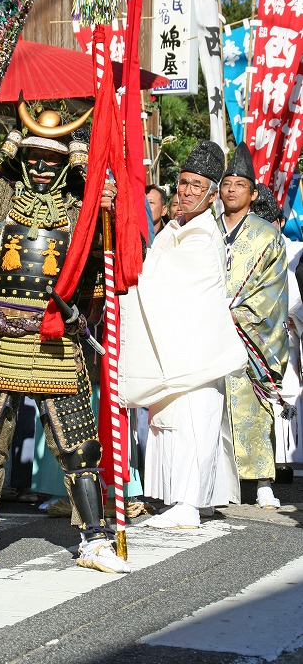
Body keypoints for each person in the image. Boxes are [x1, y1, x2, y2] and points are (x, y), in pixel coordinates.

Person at [0, 88, 129, 574]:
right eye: (34, 158)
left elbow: (112, 249)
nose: (41, 167)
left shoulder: (83, 201)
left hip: (55, 334)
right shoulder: (0, 192)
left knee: (78, 445)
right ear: (23, 156)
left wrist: (106, 201)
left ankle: (94, 540)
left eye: (51, 159)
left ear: (65, 162)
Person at [119, 141, 246, 529]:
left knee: (195, 423)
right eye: (183, 183)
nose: (187, 191)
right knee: (173, 424)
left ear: (211, 194)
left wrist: (124, 281)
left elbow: (161, 283)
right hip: (175, 347)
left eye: (197, 185)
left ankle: (189, 505)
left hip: (196, 351)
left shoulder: (204, 236)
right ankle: (188, 500)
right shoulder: (173, 229)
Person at [218, 143, 288, 509]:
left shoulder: (266, 235)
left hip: (249, 331)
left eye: (239, 184)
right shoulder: (205, 230)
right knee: (211, 406)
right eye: (226, 183)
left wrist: (240, 314)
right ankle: (215, 480)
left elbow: (274, 287)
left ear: (252, 192)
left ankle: (261, 480)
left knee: (251, 402)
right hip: (208, 328)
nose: (231, 189)